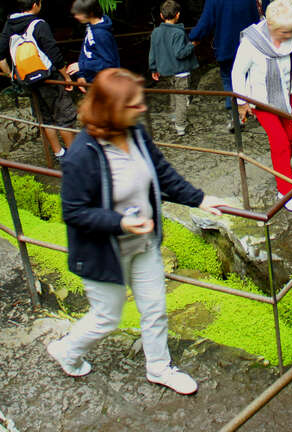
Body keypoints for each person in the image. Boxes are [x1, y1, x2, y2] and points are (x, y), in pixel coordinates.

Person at [47, 69, 222, 392]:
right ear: (112, 109)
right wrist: (120, 223)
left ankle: (159, 367)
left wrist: (198, 199)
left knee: (155, 308)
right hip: (104, 252)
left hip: (143, 243)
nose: (142, 109)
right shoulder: (81, 155)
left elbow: (163, 173)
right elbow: (73, 212)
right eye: (133, 105)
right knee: (107, 317)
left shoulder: (136, 135)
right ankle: (66, 350)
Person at [232, 0, 292, 212]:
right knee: (280, 141)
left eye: (291, 31)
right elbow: (238, 72)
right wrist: (242, 102)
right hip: (262, 99)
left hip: (288, 92)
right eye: (284, 32)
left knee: (291, 136)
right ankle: (285, 190)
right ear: (271, 26)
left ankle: (283, 170)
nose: (289, 36)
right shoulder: (251, 43)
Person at [0, 0, 76, 160]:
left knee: (45, 118)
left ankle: (59, 153)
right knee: (63, 116)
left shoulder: (9, 25)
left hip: (28, 81)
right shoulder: (39, 25)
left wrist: (11, 75)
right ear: (36, 4)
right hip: (49, 79)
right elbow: (54, 54)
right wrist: (66, 77)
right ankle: (75, 157)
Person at [189, 0, 267, 132]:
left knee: (230, 83)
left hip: (227, 48)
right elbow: (269, 14)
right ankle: (261, 115)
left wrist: (192, 37)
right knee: (255, 80)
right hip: (256, 45)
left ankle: (237, 117)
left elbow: (205, 25)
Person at [149, 0, 199, 136]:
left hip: (166, 70)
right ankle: (180, 125)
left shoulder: (156, 32)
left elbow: (152, 52)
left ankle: (174, 116)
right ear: (178, 15)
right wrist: (192, 45)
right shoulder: (178, 33)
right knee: (182, 97)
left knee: (173, 93)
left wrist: (153, 68)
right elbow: (180, 53)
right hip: (181, 71)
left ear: (161, 15)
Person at [67, 0, 120, 89]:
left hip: (106, 84)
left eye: (79, 13)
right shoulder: (91, 26)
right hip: (92, 80)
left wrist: (81, 66)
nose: (76, 16)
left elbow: (109, 63)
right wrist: (81, 75)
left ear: (90, 13)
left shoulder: (101, 34)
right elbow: (86, 50)